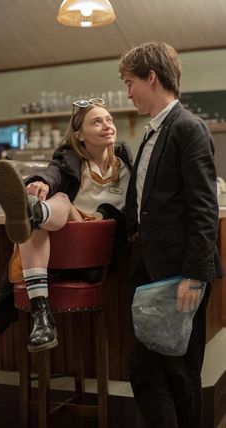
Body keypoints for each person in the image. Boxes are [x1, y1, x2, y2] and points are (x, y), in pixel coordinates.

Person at [119, 42, 222, 428]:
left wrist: (194, 276)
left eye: (130, 82)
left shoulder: (187, 127)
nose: (128, 92)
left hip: (181, 274)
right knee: (146, 372)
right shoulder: (151, 133)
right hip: (150, 273)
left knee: (181, 374)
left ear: (151, 77)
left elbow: (204, 209)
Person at [0, 98, 132, 353]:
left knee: (42, 216)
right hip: (69, 249)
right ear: (79, 136)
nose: (107, 125)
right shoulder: (69, 159)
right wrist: (41, 183)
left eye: (109, 120)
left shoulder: (127, 164)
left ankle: (34, 212)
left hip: (99, 253)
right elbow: (52, 174)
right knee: (59, 201)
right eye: (97, 122)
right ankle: (41, 317)